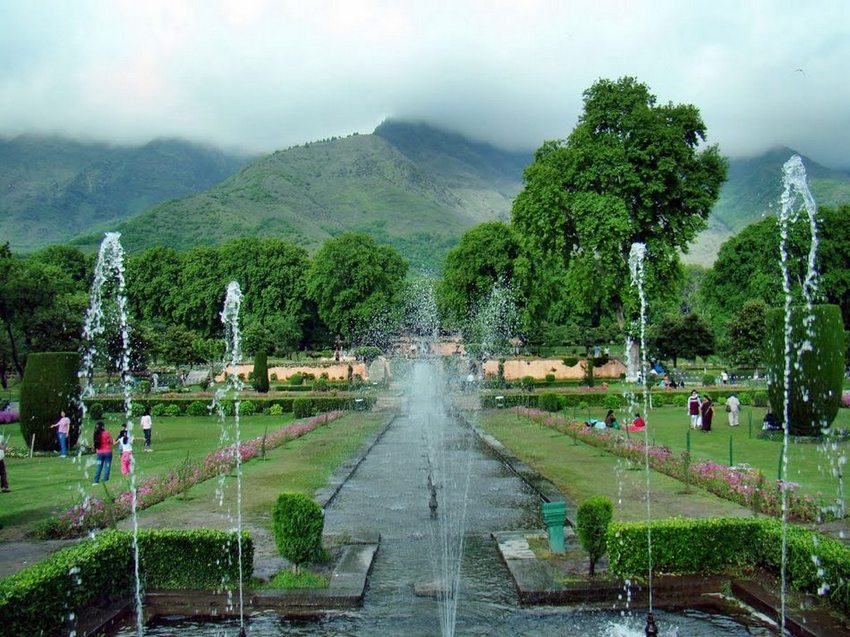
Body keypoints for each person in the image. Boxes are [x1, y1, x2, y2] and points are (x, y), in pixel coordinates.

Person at [92, 420, 113, 485]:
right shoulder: (106, 433)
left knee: (99, 466)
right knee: (107, 466)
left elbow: (95, 443)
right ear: (103, 426)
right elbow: (111, 442)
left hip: (99, 452)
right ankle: (105, 479)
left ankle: (95, 481)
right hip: (107, 452)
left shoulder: (95, 434)